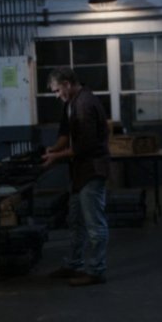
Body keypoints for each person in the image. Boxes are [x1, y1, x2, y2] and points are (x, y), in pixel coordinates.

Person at [41, 67, 110, 286]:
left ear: (68, 84)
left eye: (57, 90)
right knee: (76, 220)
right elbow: (65, 134)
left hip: (92, 170)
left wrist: (56, 158)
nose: (56, 94)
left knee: (94, 225)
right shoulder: (71, 103)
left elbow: (83, 146)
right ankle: (73, 264)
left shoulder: (84, 105)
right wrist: (53, 149)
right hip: (79, 171)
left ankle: (96, 271)